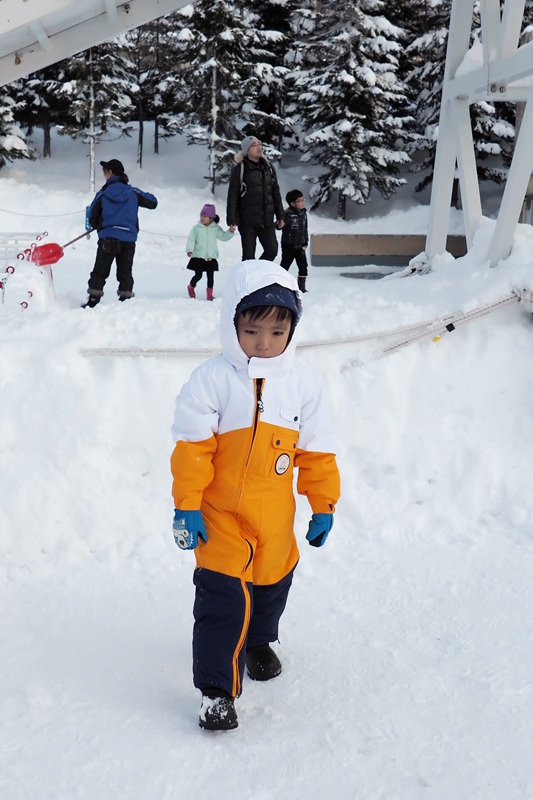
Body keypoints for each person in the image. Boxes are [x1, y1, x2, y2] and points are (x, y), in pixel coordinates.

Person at [170, 259, 341, 731]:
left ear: (292, 332)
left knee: (271, 587)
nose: (263, 343)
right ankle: (216, 692)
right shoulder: (213, 379)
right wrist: (186, 504)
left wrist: (322, 504)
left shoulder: (303, 386)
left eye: (275, 332)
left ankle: (260, 640)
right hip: (220, 512)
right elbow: (192, 449)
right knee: (222, 598)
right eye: (250, 330)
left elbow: (317, 451)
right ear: (232, 325)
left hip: (274, 514)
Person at [82, 159, 158, 308]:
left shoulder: (103, 193)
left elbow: (92, 216)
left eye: (105, 172)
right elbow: (153, 202)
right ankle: (126, 299)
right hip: (128, 238)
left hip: (108, 237)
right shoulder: (132, 192)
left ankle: (93, 300)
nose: (104, 175)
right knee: (125, 271)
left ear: (110, 172)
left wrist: (100, 227)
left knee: (100, 270)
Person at [226, 136, 285, 262]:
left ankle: (258, 274)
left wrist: (281, 215)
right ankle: (247, 280)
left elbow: (275, 193)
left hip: (267, 220)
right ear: (247, 150)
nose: (259, 147)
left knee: (272, 250)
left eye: (260, 144)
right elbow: (232, 196)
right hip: (247, 222)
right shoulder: (240, 169)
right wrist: (231, 219)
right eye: (254, 145)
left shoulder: (268, 168)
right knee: (248, 257)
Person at [185, 203, 234, 301]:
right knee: (198, 275)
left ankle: (209, 294)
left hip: (211, 257)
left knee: (210, 276)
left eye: (205, 216)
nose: (202, 218)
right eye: (201, 216)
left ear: (211, 218)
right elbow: (191, 240)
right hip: (199, 256)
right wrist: (190, 250)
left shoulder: (215, 228)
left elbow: (223, 237)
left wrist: (230, 231)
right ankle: (191, 286)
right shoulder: (196, 228)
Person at [280, 189, 309, 293]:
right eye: (299, 201)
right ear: (292, 203)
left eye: (303, 200)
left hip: (300, 245)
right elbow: (279, 225)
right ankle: (280, 285)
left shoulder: (303, 213)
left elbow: (305, 229)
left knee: (303, 267)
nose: (302, 203)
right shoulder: (287, 214)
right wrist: (279, 225)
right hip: (289, 245)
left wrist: (305, 240)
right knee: (284, 266)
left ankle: (301, 287)